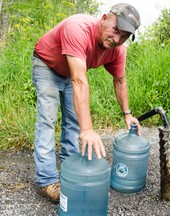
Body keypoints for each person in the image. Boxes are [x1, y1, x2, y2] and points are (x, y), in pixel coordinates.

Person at [31, 3, 141, 203]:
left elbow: (120, 80)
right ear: (105, 18)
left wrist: (127, 113)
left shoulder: (117, 50)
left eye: (124, 36)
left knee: (74, 122)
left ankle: (70, 169)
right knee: (47, 121)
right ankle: (46, 179)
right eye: (116, 30)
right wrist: (88, 129)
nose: (117, 39)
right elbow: (80, 80)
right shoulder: (78, 28)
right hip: (47, 64)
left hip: (73, 72)